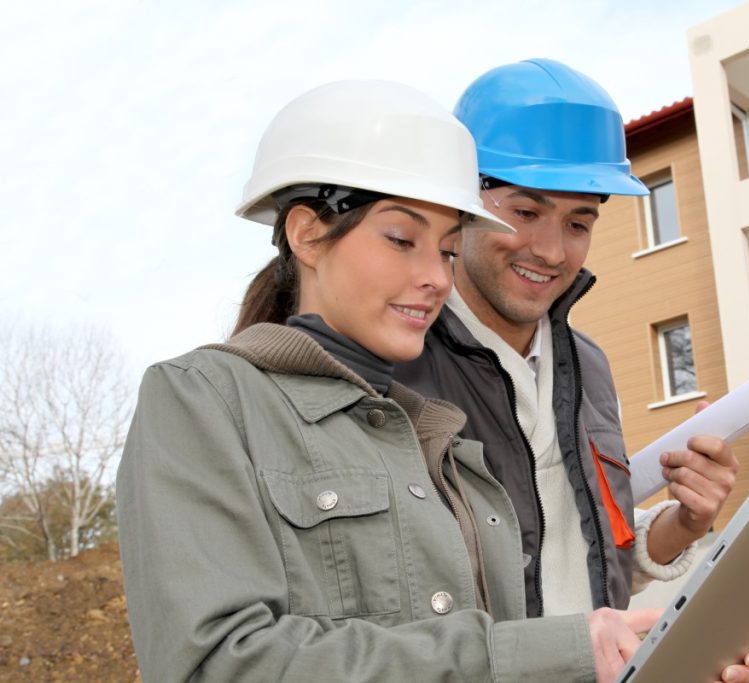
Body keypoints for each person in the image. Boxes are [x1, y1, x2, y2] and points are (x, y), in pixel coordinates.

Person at [116, 79, 664, 682]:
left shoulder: (442, 438)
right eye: (403, 240)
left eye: (448, 250)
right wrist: (549, 652)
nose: (435, 277)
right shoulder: (202, 399)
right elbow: (217, 666)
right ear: (306, 234)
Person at [394, 59, 749, 682]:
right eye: (525, 212)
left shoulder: (589, 365)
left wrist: (685, 524)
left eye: (578, 223)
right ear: (461, 204)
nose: (553, 251)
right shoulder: (397, 361)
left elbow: (584, 550)